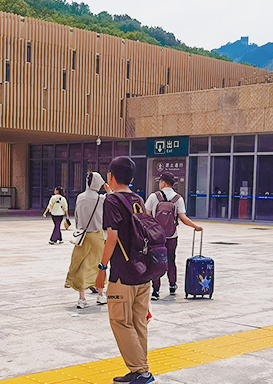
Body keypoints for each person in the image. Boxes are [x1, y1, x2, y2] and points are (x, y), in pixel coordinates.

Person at [96, 157, 155, 384]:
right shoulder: (138, 199)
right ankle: (139, 370)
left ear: (110, 176)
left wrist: (102, 268)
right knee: (138, 322)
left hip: (123, 273)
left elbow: (112, 237)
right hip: (143, 272)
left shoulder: (111, 201)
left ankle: (141, 371)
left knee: (120, 321)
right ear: (131, 178)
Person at [145, 171, 203, 300]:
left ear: (163, 183)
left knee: (155, 261)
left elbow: (146, 215)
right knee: (171, 260)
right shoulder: (178, 198)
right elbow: (183, 218)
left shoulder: (154, 197)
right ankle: (172, 286)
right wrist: (196, 227)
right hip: (172, 236)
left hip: (156, 236)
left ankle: (156, 291)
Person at [66, 172, 108, 308]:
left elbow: (77, 216)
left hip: (82, 235)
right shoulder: (101, 198)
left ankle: (82, 298)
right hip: (97, 236)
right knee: (99, 266)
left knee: (82, 266)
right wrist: (108, 189)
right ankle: (100, 295)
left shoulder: (80, 197)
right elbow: (115, 200)